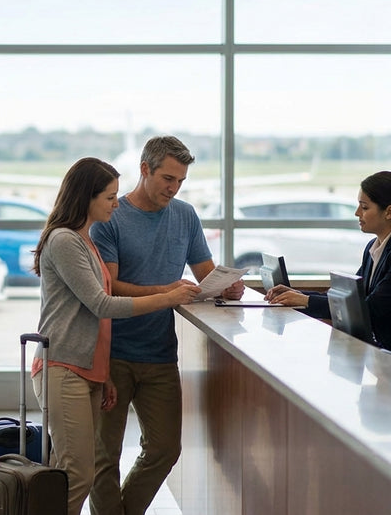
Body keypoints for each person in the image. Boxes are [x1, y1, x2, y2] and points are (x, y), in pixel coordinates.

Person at [31, 156, 202, 515]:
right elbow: (102, 305)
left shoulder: (84, 241)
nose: (116, 204)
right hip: (64, 366)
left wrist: (102, 371)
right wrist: (167, 297)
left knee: (76, 470)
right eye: (109, 197)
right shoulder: (64, 241)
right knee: (79, 473)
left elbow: (94, 318)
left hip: (87, 368)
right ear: (86, 197)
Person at [89, 136, 244, 515]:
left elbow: (206, 275)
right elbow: (110, 287)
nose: (174, 188)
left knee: (164, 450)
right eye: (168, 179)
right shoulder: (111, 218)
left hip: (159, 353)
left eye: (180, 181)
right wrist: (166, 291)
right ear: (145, 169)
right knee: (104, 457)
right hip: (112, 353)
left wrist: (228, 287)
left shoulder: (185, 216)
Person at [264, 170, 391, 379]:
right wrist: (298, 295)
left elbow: (369, 309)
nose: (357, 213)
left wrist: (306, 301)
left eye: (364, 207)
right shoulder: (374, 247)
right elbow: (349, 299)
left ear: (389, 212)